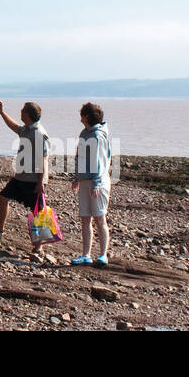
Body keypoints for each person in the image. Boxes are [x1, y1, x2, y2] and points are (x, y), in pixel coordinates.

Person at [0, 100, 51, 241]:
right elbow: (14, 126)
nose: (20, 111)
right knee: (2, 198)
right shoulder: (27, 129)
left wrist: (41, 182)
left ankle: (39, 247)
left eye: (22, 110)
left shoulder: (38, 133)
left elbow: (43, 159)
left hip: (32, 180)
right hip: (20, 177)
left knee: (38, 211)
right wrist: (1, 111)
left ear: (28, 114)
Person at [71, 102, 112, 267]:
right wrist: (76, 178)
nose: (80, 117)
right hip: (85, 180)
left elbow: (100, 161)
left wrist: (96, 183)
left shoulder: (98, 135)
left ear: (86, 116)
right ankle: (86, 254)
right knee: (85, 219)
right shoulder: (84, 133)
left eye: (82, 114)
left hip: (98, 182)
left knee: (100, 218)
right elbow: (79, 157)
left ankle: (103, 255)